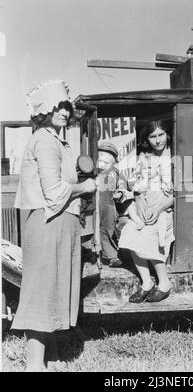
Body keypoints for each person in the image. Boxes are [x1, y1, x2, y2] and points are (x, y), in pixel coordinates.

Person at [12, 79, 97, 372]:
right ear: (44, 111)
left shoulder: (57, 141)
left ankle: (53, 355)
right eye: (56, 107)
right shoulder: (45, 141)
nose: (63, 111)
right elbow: (54, 192)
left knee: (55, 290)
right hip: (48, 223)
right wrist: (86, 187)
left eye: (65, 106)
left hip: (60, 223)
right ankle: (34, 364)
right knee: (42, 291)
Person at [118, 119, 174, 303]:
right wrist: (140, 203)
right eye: (153, 136)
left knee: (150, 236)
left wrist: (158, 209)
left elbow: (179, 195)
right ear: (147, 138)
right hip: (145, 206)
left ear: (167, 134)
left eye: (161, 135)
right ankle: (146, 283)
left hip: (165, 209)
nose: (158, 140)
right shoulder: (143, 158)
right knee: (130, 233)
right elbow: (138, 189)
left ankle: (164, 283)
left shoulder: (176, 158)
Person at [97, 141, 132, 267]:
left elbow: (124, 187)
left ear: (114, 163)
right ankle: (89, 254)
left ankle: (111, 255)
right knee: (89, 231)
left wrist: (121, 194)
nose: (102, 165)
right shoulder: (92, 172)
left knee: (108, 229)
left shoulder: (116, 173)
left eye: (106, 163)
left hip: (109, 205)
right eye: (99, 160)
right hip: (92, 205)